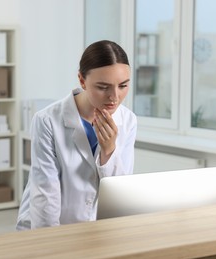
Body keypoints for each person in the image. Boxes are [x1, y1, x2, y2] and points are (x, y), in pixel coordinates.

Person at [16, 40, 137, 230]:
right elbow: (46, 193)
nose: (114, 97)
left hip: (95, 229)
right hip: (48, 228)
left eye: (122, 86)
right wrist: (49, 244)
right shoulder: (47, 120)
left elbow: (120, 191)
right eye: (103, 87)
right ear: (82, 81)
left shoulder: (128, 120)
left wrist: (109, 151)